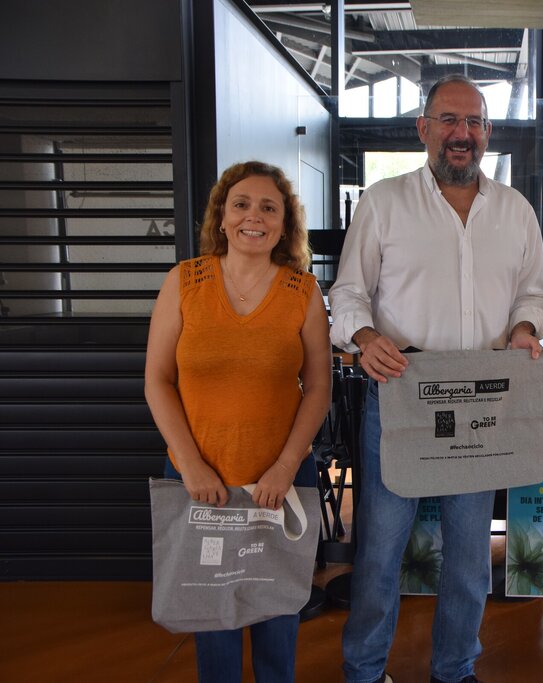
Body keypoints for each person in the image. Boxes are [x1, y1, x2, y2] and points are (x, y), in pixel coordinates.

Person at [328, 74, 543, 683]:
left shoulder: (515, 211)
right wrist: (364, 337)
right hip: (401, 400)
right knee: (378, 554)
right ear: (423, 129)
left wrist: (528, 327)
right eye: (450, 121)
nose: (463, 134)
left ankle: (455, 669)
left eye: (475, 123)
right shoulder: (385, 202)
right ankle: (364, 671)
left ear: (488, 133)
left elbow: (535, 293)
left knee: (469, 558)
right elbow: (348, 293)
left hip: (482, 404)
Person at [145, 161, 332, 682]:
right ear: (222, 218)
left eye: (269, 207)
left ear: (283, 224)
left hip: (281, 478)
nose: (255, 216)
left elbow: (318, 387)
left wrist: (286, 465)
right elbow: (157, 381)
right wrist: (190, 465)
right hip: (200, 478)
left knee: (277, 616)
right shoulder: (184, 282)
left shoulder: (302, 292)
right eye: (242, 205)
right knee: (212, 619)